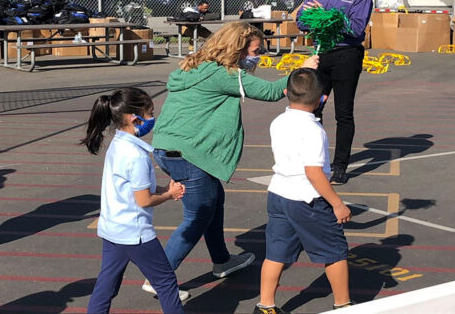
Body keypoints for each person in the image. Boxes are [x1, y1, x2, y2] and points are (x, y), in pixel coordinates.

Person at [144, 21, 319, 298]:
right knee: (197, 217)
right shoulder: (223, 74)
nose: (257, 57)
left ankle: (222, 261)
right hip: (189, 153)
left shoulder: (195, 66)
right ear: (237, 49)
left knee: (213, 201)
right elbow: (272, 92)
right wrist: (304, 71)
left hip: (170, 148)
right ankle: (159, 277)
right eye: (255, 51)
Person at [254, 68, 353, 314]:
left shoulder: (278, 121)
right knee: (335, 250)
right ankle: (343, 305)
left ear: (286, 92)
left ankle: (265, 305)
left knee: (276, 252)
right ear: (322, 99)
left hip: (279, 193)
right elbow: (313, 173)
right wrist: (337, 203)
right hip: (307, 199)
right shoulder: (313, 130)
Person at [80, 88, 187, 313]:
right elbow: (144, 200)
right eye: (150, 114)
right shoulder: (136, 156)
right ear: (133, 118)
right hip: (135, 233)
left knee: (106, 286)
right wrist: (169, 194)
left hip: (112, 228)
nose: (152, 119)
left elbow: (132, 189)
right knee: (166, 283)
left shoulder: (118, 144)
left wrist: (165, 190)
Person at [296, 0, 373, 185]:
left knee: (343, 112)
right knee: (313, 108)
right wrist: (311, 17)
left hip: (346, 55)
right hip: (321, 53)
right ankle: (314, 160)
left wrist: (326, 16)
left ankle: (340, 166)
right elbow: (301, 21)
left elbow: (356, 29)